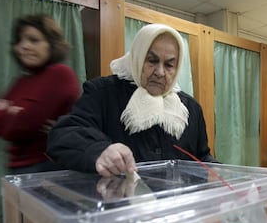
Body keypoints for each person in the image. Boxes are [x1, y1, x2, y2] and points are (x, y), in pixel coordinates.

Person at [47, 23, 217, 177]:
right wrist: (99, 150)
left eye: (169, 65)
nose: (160, 72)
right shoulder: (103, 93)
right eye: (152, 60)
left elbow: (201, 158)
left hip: (175, 207)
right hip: (119, 205)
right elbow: (64, 134)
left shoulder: (190, 109)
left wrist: (222, 176)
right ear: (137, 56)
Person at [0, 14, 80, 174]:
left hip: (47, 170)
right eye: (20, 40)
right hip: (18, 170)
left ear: (52, 45)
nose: (23, 46)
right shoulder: (22, 81)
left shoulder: (61, 74)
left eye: (34, 40)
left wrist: (6, 110)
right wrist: (13, 114)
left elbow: (23, 125)